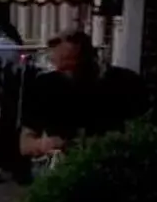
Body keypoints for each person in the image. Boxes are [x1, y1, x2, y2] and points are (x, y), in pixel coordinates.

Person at [17, 30, 145, 164]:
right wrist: (43, 145)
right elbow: (25, 144)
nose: (68, 73)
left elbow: (142, 135)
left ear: (92, 59)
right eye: (61, 68)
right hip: (64, 165)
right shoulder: (45, 85)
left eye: (73, 65)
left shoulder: (125, 83)